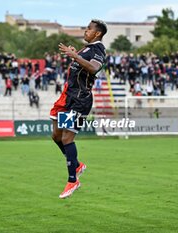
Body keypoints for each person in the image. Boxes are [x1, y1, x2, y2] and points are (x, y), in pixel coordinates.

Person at [50, 19, 107, 199]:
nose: (85, 31)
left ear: (97, 33)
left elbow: (93, 68)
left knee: (67, 138)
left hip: (80, 100)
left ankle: (73, 180)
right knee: (56, 136)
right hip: (69, 97)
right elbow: (81, 66)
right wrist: (76, 55)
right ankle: (77, 165)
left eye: (89, 29)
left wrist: (74, 56)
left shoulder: (98, 50)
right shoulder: (87, 49)